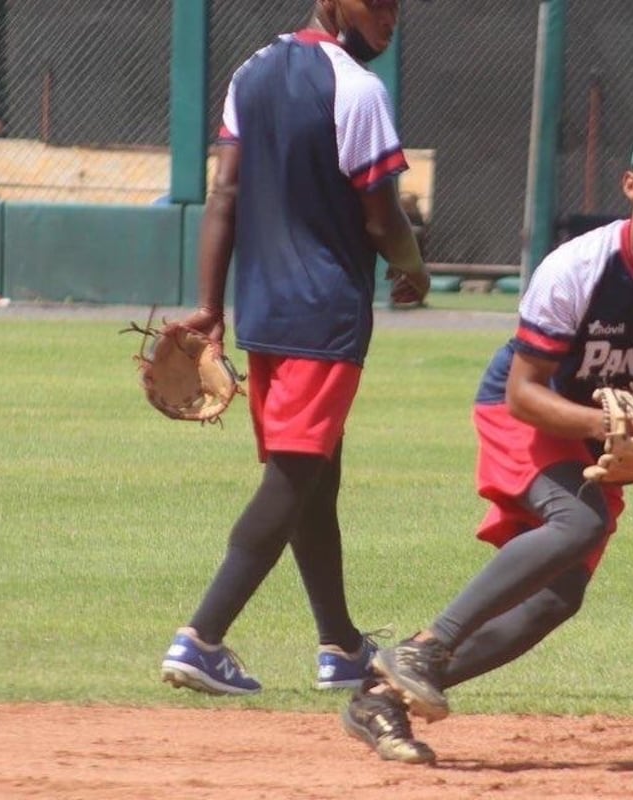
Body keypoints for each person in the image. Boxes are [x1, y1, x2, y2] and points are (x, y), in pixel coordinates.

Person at [341, 111, 633, 763]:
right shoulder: (579, 267)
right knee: (579, 524)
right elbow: (523, 392)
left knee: (555, 600)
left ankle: (380, 697)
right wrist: (609, 425)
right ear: (630, 185)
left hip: (595, 434)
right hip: (527, 410)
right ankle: (426, 646)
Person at [159, 0, 428, 699]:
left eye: (396, 5)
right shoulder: (358, 89)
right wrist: (414, 267)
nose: (390, 17)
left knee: (315, 478)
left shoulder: (251, 72)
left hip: (266, 313)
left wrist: (212, 308)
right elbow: (381, 216)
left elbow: (225, 195)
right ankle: (202, 637)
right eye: (377, 4)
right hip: (324, 317)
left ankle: (341, 645)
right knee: (292, 476)